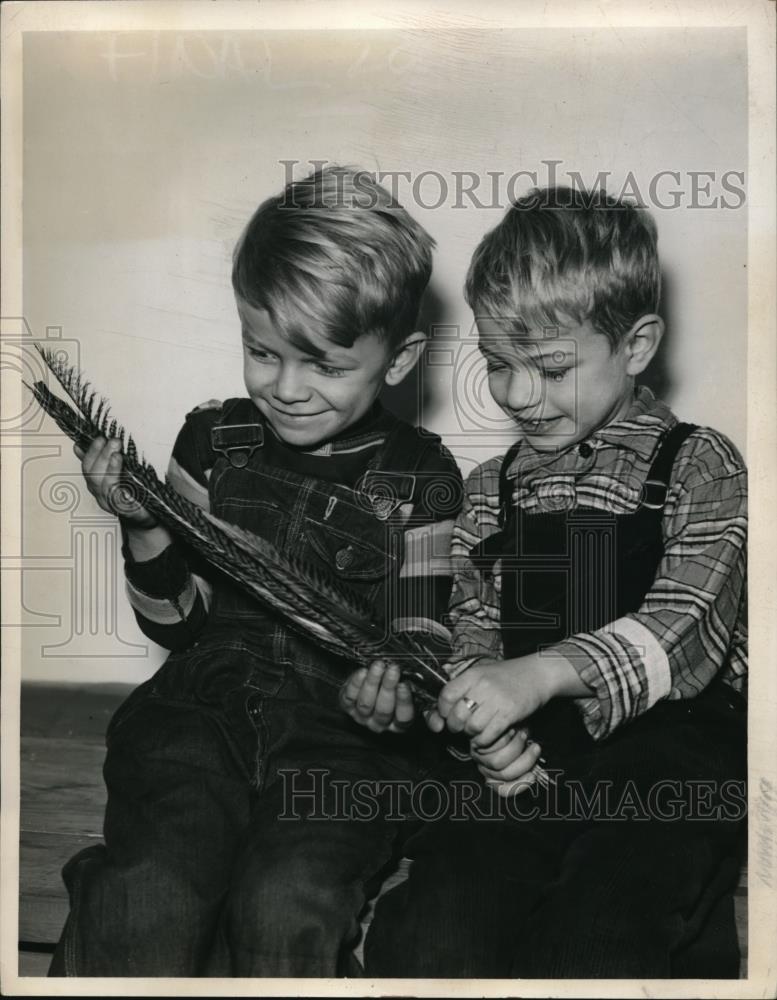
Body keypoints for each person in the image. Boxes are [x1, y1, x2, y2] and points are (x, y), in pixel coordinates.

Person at [48, 165, 463, 977]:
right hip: (200, 716)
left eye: (324, 366)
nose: (286, 388)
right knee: (151, 892)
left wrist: (395, 698)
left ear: (400, 357)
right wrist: (142, 526)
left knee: (285, 901)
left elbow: (422, 639)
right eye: (261, 352)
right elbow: (180, 627)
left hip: (343, 745)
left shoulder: (423, 477)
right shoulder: (212, 441)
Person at [347, 185, 748, 978]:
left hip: (664, 770)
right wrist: (480, 720)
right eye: (498, 364)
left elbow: (685, 627)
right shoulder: (493, 488)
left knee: (597, 931)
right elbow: (469, 627)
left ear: (635, 346)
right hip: (533, 769)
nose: (518, 394)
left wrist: (538, 675)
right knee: (428, 931)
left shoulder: (698, 465)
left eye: (550, 367)